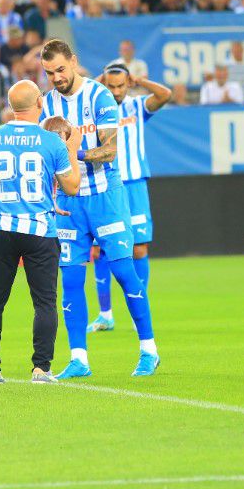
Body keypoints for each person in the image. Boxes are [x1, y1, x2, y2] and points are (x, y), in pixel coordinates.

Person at [38, 39, 159, 379]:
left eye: (61, 69)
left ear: (73, 62)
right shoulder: (46, 104)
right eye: (50, 73)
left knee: (124, 273)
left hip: (106, 197)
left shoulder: (99, 96)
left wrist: (72, 152)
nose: (57, 78)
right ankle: (79, 359)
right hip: (68, 203)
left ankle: (149, 350)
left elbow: (110, 150)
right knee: (72, 279)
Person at [0, 79, 80, 385]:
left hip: (2, 228)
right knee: (45, 301)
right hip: (39, 231)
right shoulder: (51, 142)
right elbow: (72, 187)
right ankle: (41, 369)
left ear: (11, 105)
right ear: (39, 104)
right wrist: (72, 150)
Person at [86, 61, 171, 333]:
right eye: (110, 86)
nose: (116, 91)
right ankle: (105, 315)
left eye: (120, 85)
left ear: (127, 84)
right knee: (100, 251)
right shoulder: (95, 108)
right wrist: (97, 83)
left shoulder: (136, 106)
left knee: (139, 249)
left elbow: (165, 95)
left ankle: (139, 310)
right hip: (107, 184)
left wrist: (140, 81)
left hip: (134, 184)